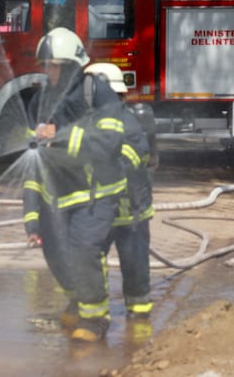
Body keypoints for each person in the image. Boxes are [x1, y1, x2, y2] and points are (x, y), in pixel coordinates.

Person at [21, 27, 126, 342]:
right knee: (55, 255)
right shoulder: (41, 100)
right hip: (57, 197)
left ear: (71, 65)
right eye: (46, 65)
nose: (48, 71)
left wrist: (62, 136)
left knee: (84, 251)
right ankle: (79, 302)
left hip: (96, 194)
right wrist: (31, 214)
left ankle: (95, 320)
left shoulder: (95, 91)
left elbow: (111, 137)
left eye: (54, 65)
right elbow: (34, 157)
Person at [84, 63, 155, 327]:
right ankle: (94, 316)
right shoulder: (90, 121)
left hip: (130, 210)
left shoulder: (128, 122)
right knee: (90, 262)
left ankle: (138, 323)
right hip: (99, 210)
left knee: (135, 267)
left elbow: (135, 159)